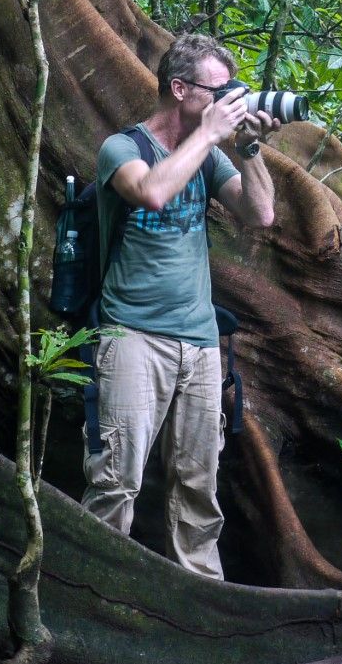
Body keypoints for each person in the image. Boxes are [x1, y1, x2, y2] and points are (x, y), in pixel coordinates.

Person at [81, 34, 279, 578]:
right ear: (180, 89)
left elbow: (260, 215)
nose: (229, 103)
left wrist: (248, 147)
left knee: (198, 489)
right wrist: (211, 135)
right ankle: (89, 596)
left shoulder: (210, 156)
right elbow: (151, 192)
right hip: (133, 338)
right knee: (115, 481)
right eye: (220, 92)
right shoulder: (123, 150)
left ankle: (199, 601)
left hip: (199, 344)